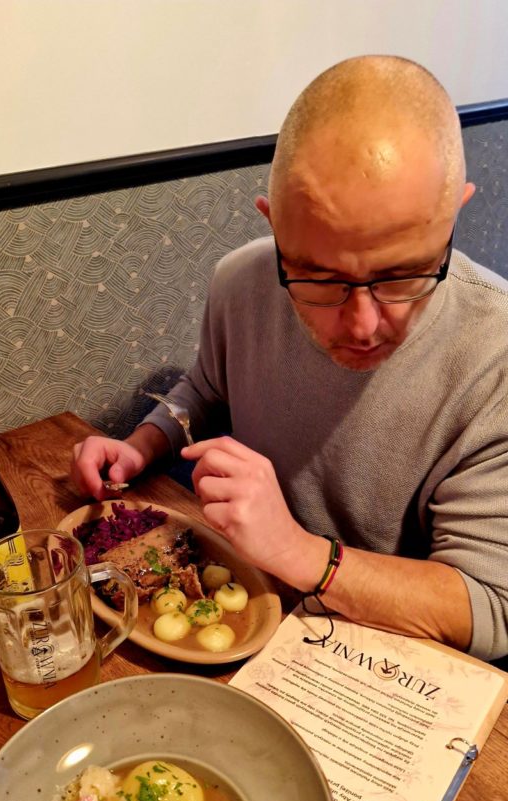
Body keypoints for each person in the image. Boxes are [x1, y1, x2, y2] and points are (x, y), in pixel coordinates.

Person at [72, 55, 508, 663]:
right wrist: (144, 444)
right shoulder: (240, 280)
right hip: (249, 615)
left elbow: (490, 607)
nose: (361, 325)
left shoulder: (495, 353)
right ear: (274, 225)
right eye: (319, 278)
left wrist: (300, 553)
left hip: (388, 662)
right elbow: (208, 387)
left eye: (403, 275)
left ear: (454, 212)